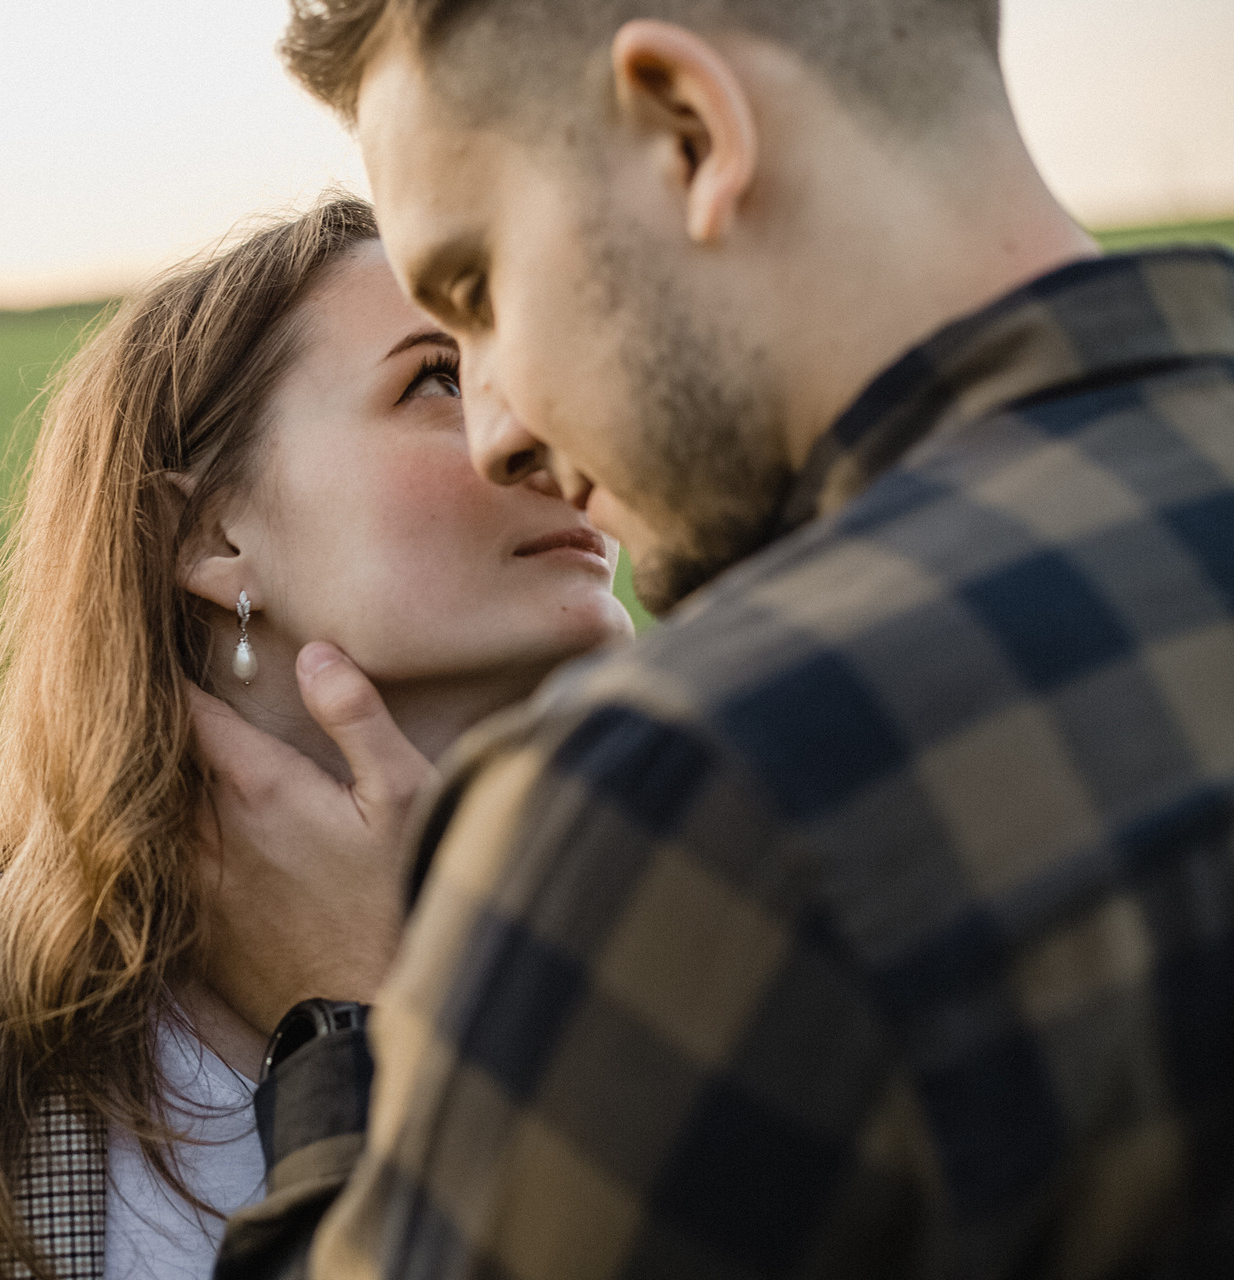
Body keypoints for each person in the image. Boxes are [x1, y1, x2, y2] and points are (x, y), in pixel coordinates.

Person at [206, 2, 1234, 1277]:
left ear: (689, 132)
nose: (500, 431)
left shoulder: (702, 781)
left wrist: (363, 1026)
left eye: (477, 288)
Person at [0, 195, 635, 1280]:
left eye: (545, 371)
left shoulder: (664, 970)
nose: (549, 426)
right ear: (212, 536)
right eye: (439, 377)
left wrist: (385, 1013)